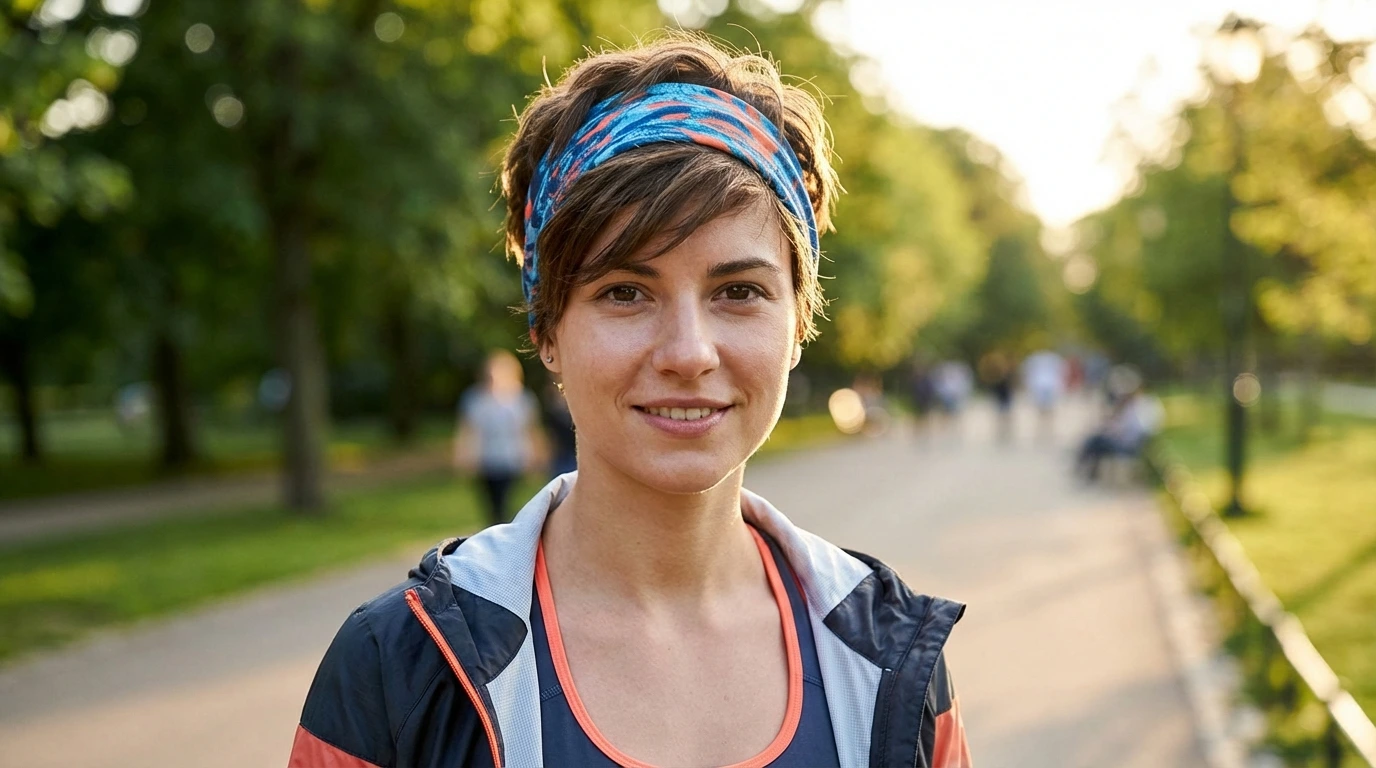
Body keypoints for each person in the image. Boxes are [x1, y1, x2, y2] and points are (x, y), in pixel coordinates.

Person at [290, 35, 970, 768]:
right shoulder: (398, 668)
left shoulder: (892, 663)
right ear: (545, 330)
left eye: (738, 292)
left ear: (799, 324)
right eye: (624, 292)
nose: (687, 353)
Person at [453, 350, 543, 526]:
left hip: (513, 458)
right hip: (486, 459)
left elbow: (530, 429)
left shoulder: (522, 399)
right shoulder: (474, 399)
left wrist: (535, 456)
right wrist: (464, 455)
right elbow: (468, 430)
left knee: (507, 502)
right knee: (492, 505)